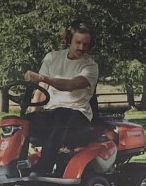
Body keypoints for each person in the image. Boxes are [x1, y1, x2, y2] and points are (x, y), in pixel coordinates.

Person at [24, 21, 100, 176]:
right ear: (68, 40)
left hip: (78, 116)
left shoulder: (90, 66)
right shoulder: (52, 58)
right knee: (18, 123)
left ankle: (43, 169)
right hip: (53, 113)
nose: (81, 47)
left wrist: (42, 77)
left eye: (85, 44)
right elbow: (40, 91)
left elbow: (70, 85)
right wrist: (33, 116)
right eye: (77, 42)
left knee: (62, 116)